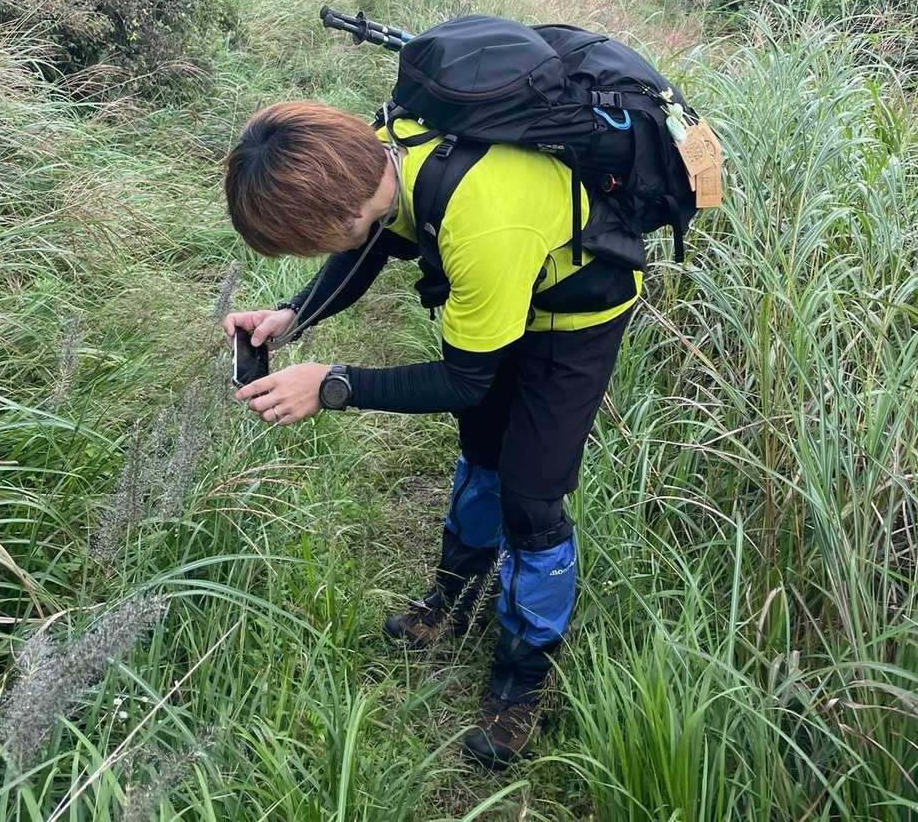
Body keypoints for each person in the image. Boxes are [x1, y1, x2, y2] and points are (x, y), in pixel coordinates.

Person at [222, 99, 640, 770]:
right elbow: (373, 242)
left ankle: (523, 676)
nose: (315, 251)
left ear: (341, 214)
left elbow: (463, 381)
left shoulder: (482, 221)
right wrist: (294, 313)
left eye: (312, 240)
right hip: (501, 287)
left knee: (531, 496)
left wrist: (332, 385)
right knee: (482, 453)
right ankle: (457, 595)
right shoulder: (380, 152)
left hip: (574, 313)